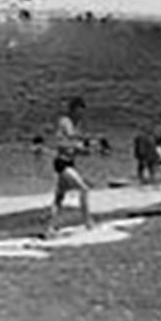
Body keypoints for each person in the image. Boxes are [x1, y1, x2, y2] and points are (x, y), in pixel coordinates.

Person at [46, 97, 95, 235]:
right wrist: (77, 145)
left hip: (69, 162)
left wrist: (82, 150)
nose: (81, 115)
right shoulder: (64, 122)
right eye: (79, 111)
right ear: (74, 109)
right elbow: (61, 143)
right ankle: (88, 221)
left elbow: (72, 145)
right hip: (61, 163)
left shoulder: (76, 123)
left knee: (59, 198)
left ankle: (51, 226)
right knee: (84, 189)